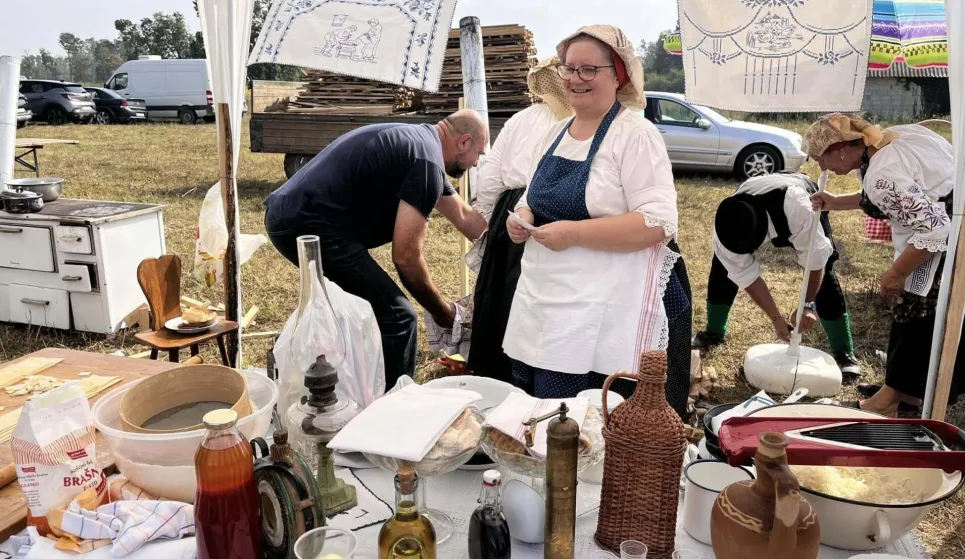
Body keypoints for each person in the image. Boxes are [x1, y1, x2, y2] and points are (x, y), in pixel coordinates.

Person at [502, 25, 692, 418]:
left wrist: (573, 233)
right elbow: (530, 195)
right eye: (569, 69)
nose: (574, 79)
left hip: (605, 309)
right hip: (549, 302)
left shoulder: (635, 135)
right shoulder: (555, 132)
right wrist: (522, 217)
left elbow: (658, 223)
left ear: (618, 74)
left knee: (589, 420)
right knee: (547, 416)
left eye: (588, 70)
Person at [263, 109, 489, 387]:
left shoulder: (424, 147)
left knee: (357, 311)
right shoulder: (426, 162)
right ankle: (391, 410)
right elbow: (406, 256)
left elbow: (466, 218)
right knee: (398, 318)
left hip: (295, 214)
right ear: (464, 142)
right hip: (306, 223)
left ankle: (352, 385)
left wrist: (509, 242)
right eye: (479, 153)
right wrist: (442, 312)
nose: (477, 163)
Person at [806, 113, 965, 416]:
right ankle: (908, 392)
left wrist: (896, 272)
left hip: (950, 236)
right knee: (924, 317)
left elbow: (934, 228)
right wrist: (836, 201)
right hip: (958, 221)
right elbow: (909, 192)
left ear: (839, 149)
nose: (822, 167)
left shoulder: (882, 173)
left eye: (820, 159)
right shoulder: (890, 139)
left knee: (916, 314)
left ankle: (889, 401)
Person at [466, 56, 573, 385]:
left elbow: (489, 178)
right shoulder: (582, 125)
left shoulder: (520, 120)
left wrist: (487, 223)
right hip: (556, 212)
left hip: (513, 211)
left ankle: (500, 375)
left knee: (508, 296)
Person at [692, 171, 860, 377]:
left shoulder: (799, 209)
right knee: (722, 269)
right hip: (755, 191)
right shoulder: (726, 224)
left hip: (798, 193)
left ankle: (844, 353)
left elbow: (815, 262)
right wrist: (776, 318)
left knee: (827, 270)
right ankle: (714, 332)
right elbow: (747, 277)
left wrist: (807, 305)